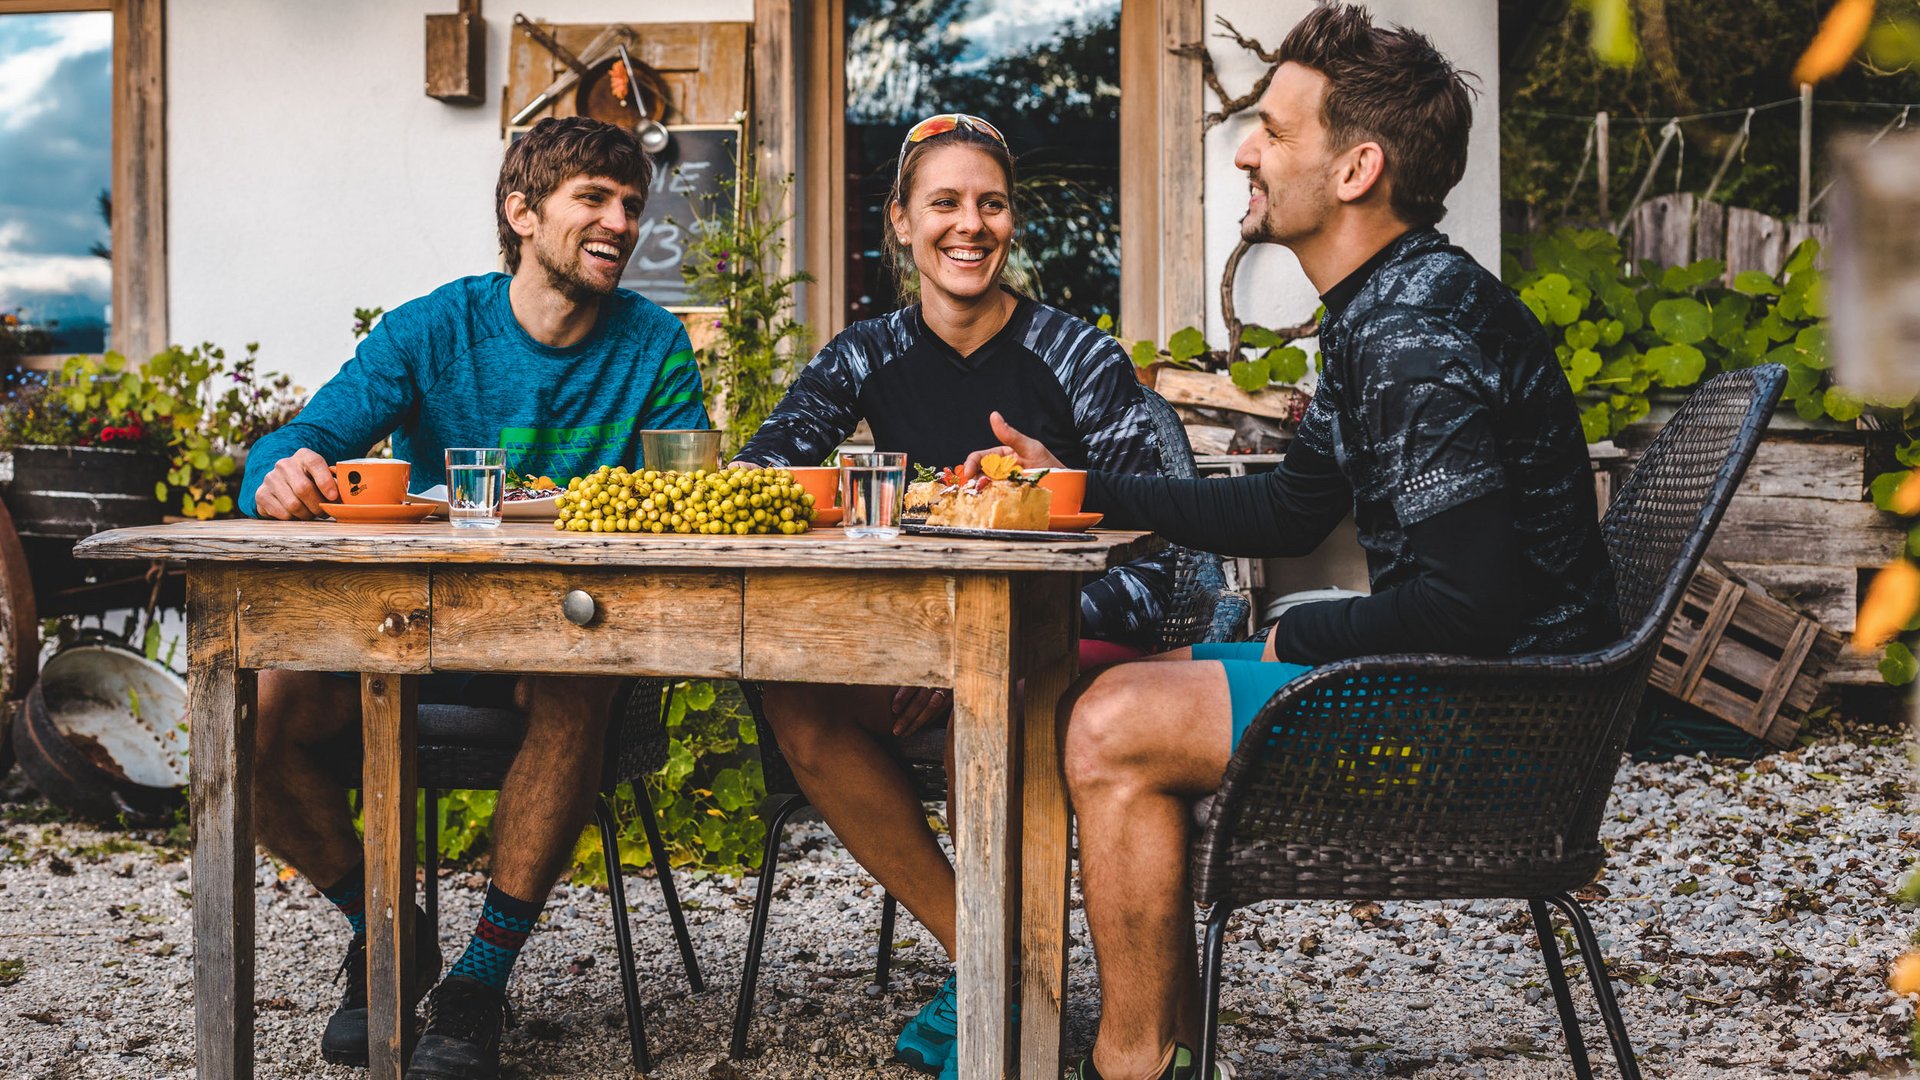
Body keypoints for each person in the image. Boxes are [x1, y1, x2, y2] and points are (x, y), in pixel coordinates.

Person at [964, 7, 1621, 1079]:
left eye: (1272, 129)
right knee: (1115, 688)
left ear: (1358, 167)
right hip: (1474, 682)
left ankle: (1133, 1062)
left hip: (1503, 722)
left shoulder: (1413, 336)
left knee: (1116, 723)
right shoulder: (1384, 307)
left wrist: (1298, 633)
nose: (1245, 149)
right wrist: (1075, 487)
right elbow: (1286, 511)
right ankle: (1156, 1044)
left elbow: (1469, 608)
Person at [237, 116, 707, 1080]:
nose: (620, 219)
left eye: (630, 203)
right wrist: (281, 476)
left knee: (579, 675)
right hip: (414, 632)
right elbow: (298, 441)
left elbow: (694, 507)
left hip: (570, 642)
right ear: (522, 213)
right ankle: (390, 931)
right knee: (260, 712)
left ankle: (477, 982)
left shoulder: (656, 346)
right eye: (594, 199)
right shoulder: (431, 329)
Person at [729, 113, 1180, 1080]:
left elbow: (1154, 574)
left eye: (990, 203)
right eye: (944, 203)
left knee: (1006, 695)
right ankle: (994, 957)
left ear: (1012, 222)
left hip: (1062, 652)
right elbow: (757, 470)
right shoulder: (862, 355)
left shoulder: (1080, 357)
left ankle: (1016, 987)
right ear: (900, 222)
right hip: (916, 651)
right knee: (795, 699)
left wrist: (999, 626)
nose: (968, 225)